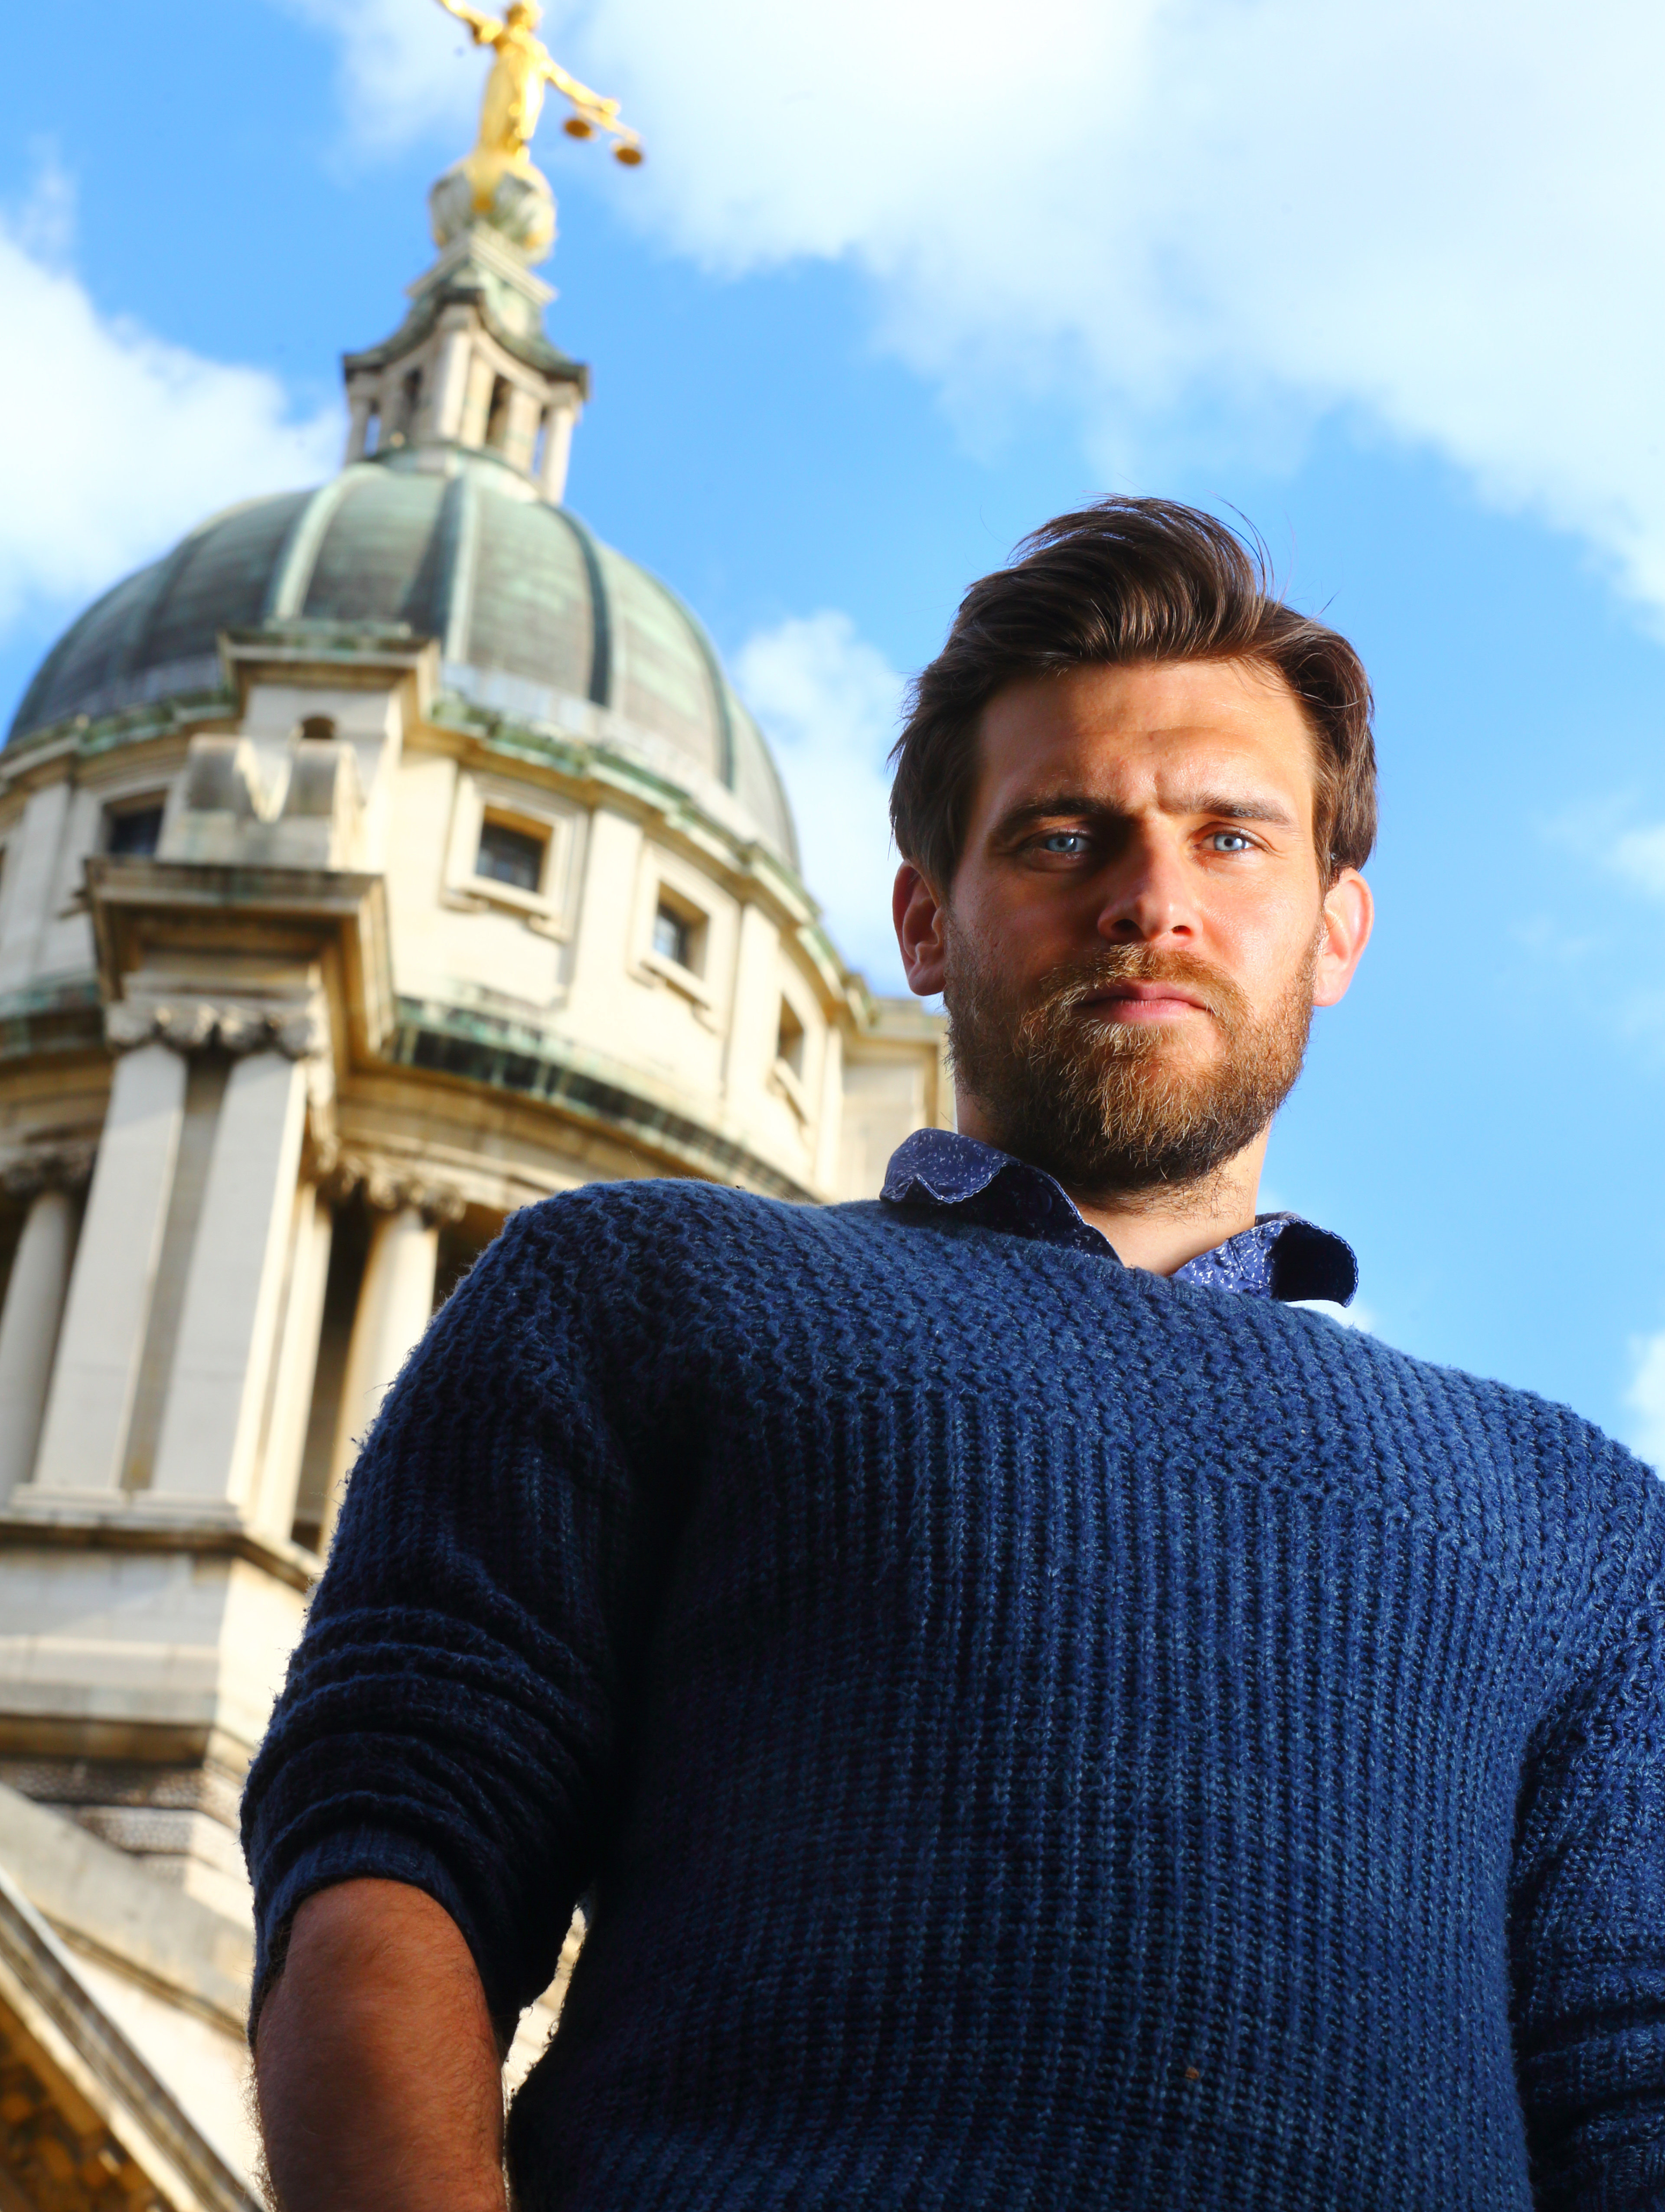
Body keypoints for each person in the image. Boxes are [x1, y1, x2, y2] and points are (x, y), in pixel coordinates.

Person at [245, 499, 1665, 2212]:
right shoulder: (629, 1293)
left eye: (1232, 840)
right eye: (1066, 836)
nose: (1155, 901)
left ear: (1338, 931)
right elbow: (389, 1861)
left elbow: (1629, 2087)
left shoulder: (1580, 1520)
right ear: (924, 923)